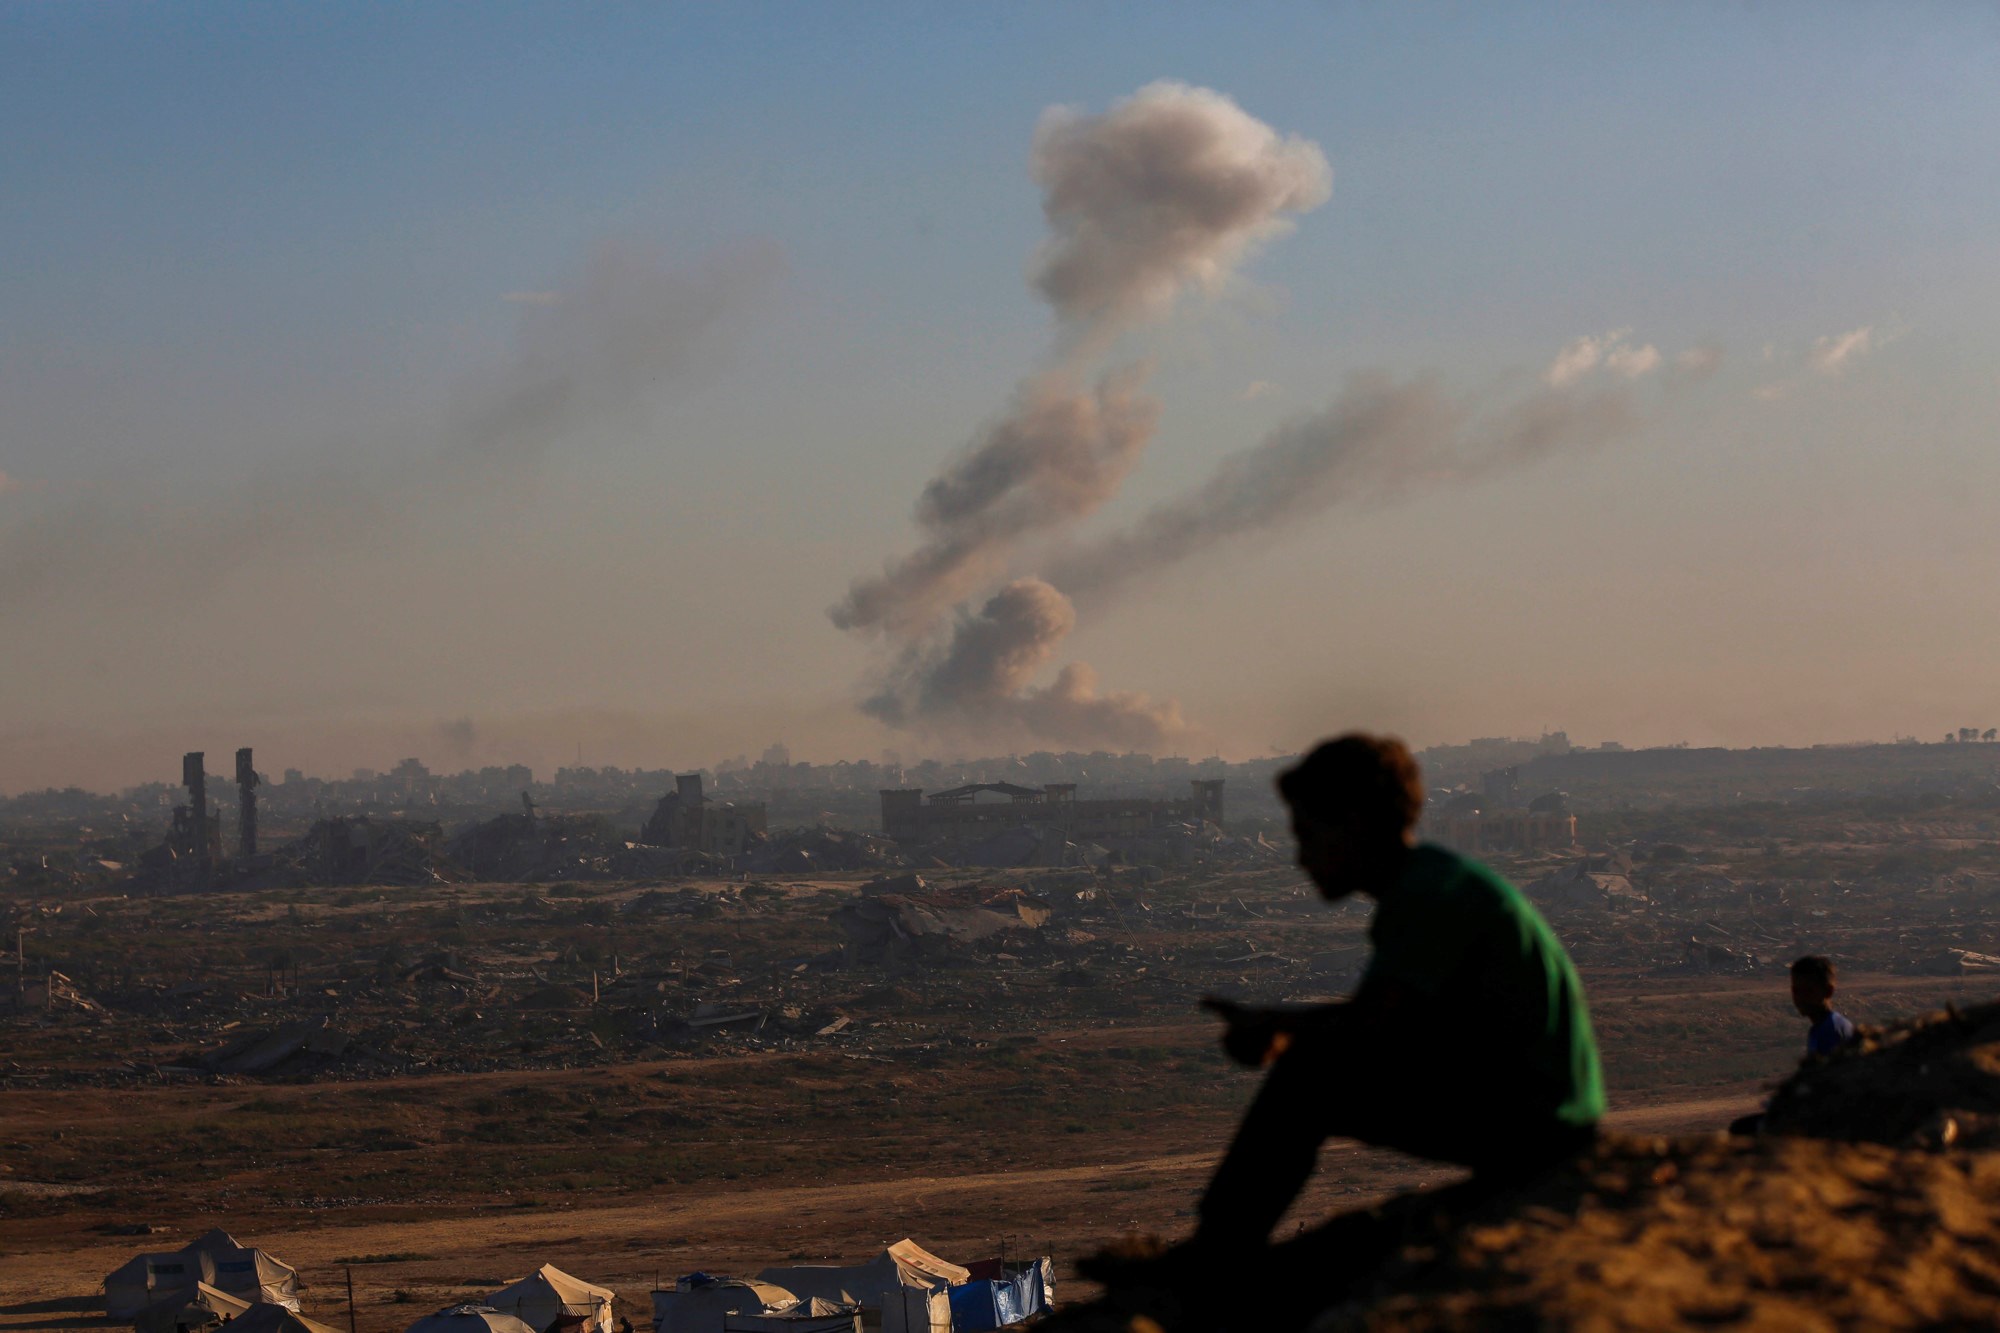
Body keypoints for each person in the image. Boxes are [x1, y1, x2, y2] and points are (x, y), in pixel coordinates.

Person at [1193, 733, 1604, 1253]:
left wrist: (1280, 1028)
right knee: (1311, 1064)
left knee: (1305, 1077)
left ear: (1354, 823)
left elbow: (1371, 1027)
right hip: (1541, 1112)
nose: (1301, 858)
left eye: (1308, 836)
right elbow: (1393, 1022)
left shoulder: (1427, 896)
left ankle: (1215, 1254)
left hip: (1536, 1125)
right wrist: (1288, 1027)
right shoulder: (1435, 879)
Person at [1791, 954, 1856, 1056]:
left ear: (1828, 991)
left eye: (1809, 991)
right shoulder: (1819, 1029)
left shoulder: (1830, 1032)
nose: (1800, 997)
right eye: (1796, 991)